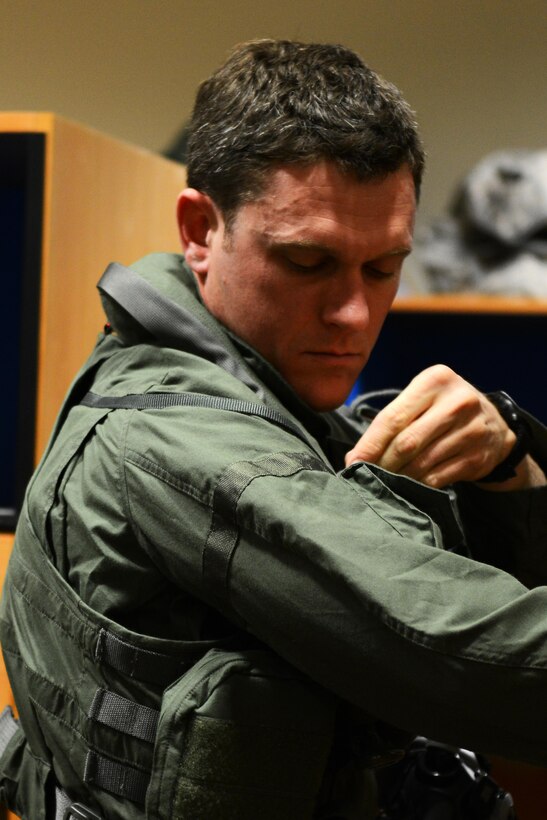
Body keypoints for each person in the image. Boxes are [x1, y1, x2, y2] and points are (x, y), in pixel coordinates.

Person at [1, 39, 546, 820]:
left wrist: (510, 470)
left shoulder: (270, 389)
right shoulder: (177, 441)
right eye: (307, 263)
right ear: (199, 230)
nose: (353, 314)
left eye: (382, 267)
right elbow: (470, 651)